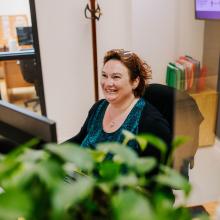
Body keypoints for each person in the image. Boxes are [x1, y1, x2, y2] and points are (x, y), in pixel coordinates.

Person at [68, 49, 172, 163]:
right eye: (104, 75)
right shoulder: (98, 108)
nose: (107, 83)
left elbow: (156, 176)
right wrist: (50, 152)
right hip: (81, 177)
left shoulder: (151, 123)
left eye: (116, 77)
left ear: (135, 82)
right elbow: (79, 140)